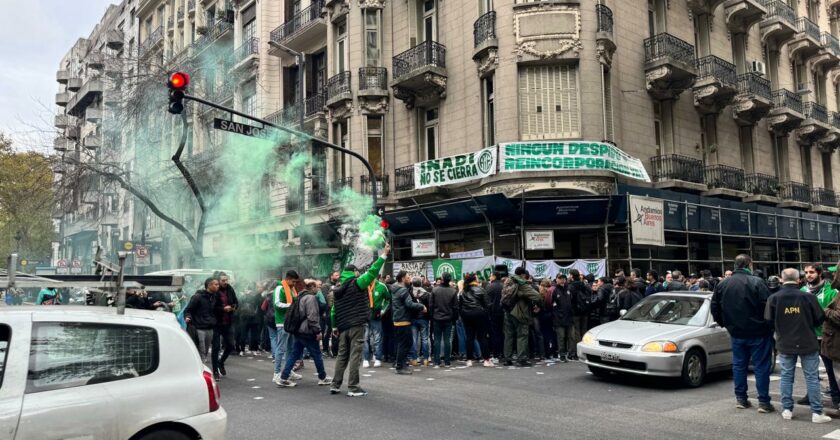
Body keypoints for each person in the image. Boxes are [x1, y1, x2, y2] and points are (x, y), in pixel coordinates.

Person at [765, 268, 830, 423]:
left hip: (785, 342)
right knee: (812, 377)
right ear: (799, 279)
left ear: (781, 279)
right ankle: (816, 412)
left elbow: (768, 320)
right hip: (808, 341)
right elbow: (820, 318)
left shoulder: (774, 298)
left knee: (786, 377)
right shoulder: (808, 297)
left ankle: (787, 409)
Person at [711, 254, 774, 413]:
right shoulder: (757, 282)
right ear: (749, 264)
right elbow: (768, 307)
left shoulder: (723, 284)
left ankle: (741, 398)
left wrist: (725, 324)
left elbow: (715, 308)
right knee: (761, 367)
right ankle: (764, 402)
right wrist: (769, 326)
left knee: (739, 365)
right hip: (758, 332)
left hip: (736, 332)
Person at [330, 244, 390, 397]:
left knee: (342, 356)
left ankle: (335, 385)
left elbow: (333, 311)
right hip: (356, 324)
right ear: (354, 272)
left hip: (342, 327)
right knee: (355, 356)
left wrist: (334, 327)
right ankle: (353, 387)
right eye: (356, 271)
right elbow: (372, 272)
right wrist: (384, 255)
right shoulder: (357, 283)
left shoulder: (338, 289)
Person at [276, 279, 333, 388]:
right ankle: (323, 377)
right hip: (308, 331)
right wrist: (317, 331)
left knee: (294, 354)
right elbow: (312, 317)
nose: (318, 289)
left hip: (299, 330)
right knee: (317, 354)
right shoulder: (311, 298)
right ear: (312, 287)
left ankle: (283, 377)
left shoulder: (300, 296)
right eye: (317, 287)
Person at [798, 264, 840, 410]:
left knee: (831, 369)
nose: (808, 275)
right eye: (806, 272)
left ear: (820, 274)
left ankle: (836, 397)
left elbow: (834, 312)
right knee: (810, 368)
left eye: (812, 272)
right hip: (809, 336)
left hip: (826, 336)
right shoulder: (802, 291)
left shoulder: (831, 291)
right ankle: (811, 395)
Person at [503, 267, 543, 367]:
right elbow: (537, 296)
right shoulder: (522, 284)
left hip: (507, 312)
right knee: (522, 336)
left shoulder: (508, 282)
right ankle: (521, 359)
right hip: (519, 312)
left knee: (509, 336)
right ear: (523, 275)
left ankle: (507, 359)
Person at [390, 272, 426, 374]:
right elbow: (409, 304)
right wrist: (421, 306)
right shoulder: (402, 290)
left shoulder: (395, 288)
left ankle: (400, 364)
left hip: (398, 319)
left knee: (404, 343)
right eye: (408, 277)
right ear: (402, 278)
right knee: (405, 344)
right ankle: (400, 366)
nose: (410, 279)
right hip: (403, 320)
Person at [272, 271, 303, 385]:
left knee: (290, 348)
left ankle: (288, 371)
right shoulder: (279, 288)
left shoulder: (290, 289)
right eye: (293, 281)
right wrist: (291, 306)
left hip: (290, 323)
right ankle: (276, 373)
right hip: (282, 323)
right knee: (281, 349)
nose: (294, 284)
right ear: (288, 279)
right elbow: (276, 304)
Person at [184, 278, 218, 371]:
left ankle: (199, 368)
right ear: (209, 285)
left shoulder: (214, 297)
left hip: (210, 328)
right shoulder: (197, 297)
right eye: (215, 284)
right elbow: (188, 310)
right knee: (201, 352)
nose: (217, 286)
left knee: (205, 351)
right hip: (199, 328)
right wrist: (187, 317)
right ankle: (200, 372)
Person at [459, 273, 493, 367]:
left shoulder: (463, 291)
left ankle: (469, 359)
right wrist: (485, 314)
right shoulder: (481, 289)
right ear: (474, 279)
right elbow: (488, 304)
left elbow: (460, 305)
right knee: (482, 337)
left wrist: (463, 314)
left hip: (466, 315)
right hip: (479, 314)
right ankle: (486, 360)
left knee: (469, 337)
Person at [212, 272, 238, 379]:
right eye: (223, 280)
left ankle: (221, 362)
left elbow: (236, 302)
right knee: (216, 347)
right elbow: (211, 307)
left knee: (231, 345)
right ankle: (215, 372)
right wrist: (222, 309)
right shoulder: (214, 291)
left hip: (228, 322)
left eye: (226, 280)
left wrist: (233, 307)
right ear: (218, 281)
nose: (225, 282)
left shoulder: (230, 289)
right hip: (216, 323)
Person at [430, 272, 459, 368]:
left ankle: (437, 361)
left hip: (437, 318)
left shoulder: (435, 290)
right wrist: (454, 318)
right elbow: (455, 307)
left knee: (437, 339)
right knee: (447, 339)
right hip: (448, 318)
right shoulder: (453, 291)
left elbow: (431, 305)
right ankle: (447, 361)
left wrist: (432, 316)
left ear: (442, 279)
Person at [363, 273, 391, 368]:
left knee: (377, 337)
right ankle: (366, 358)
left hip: (376, 314)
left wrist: (383, 310)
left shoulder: (382, 286)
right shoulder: (363, 285)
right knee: (365, 337)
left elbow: (388, 299)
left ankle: (378, 357)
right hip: (364, 315)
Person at [567, 269, 591, 359]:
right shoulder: (584, 284)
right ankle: (585, 350)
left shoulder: (571, 286)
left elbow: (570, 300)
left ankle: (578, 352)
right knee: (584, 330)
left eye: (570, 275)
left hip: (575, 311)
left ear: (572, 276)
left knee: (576, 332)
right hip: (585, 311)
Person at [408, 276, 432, 366]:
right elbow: (429, 307)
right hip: (424, 318)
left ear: (412, 283)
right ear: (421, 283)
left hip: (413, 318)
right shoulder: (426, 294)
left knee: (414, 339)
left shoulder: (409, 293)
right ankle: (426, 359)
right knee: (425, 338)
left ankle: (414, 359)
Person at [551, 274, 574, 363]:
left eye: (563, 278)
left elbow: (571, 302)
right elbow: (553, 306)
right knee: (561, 337)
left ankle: (571, 353)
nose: (562, 280)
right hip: (559, 319)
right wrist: (557, 317)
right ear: (556, 279)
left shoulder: (568, 289)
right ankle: (562, 354)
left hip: (569, 318)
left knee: (571, 337)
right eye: (560, 278)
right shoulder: (555, 291)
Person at [236, 283, 261, 355]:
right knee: (254, 334)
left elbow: (238, 305)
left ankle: (242, 350)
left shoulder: (242, 296)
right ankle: (254, 350)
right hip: (254, 317)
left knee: (243, 334)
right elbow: (260, 305)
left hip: (244, 317)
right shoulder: (256, 296)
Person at [486, 270, 506, 362]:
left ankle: (496, 354)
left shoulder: (490, 286)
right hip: (504, 312)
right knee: (503, 333)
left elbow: (487, 301)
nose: (489, 277)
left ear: (494, 276)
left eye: (490, 276)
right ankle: (504, 353)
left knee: (495, 334)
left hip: (493, 313)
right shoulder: (504, 286)